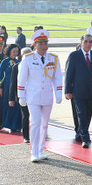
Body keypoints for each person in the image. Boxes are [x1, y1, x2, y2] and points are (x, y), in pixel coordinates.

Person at [18, 29, 63, 162]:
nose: (44, 46)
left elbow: (57, 77)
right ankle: (34, 151)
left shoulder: (53, 58)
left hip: (47, 96)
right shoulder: (28, 58)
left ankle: (41, 149)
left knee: (44, 124)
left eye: (45, 43)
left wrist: (58, 92)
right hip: (33, 96)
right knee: (35, 122)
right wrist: (21, 95)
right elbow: (22, 78)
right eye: (41, 43)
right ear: (35, 45)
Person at [65, 34, 92, 148]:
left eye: (90, 42)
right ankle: (85, 138)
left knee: (88, 114)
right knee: (81, 113)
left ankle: (80, 133)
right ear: (81, 42)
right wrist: (67, 90)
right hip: (77, 91)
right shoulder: (74, 55)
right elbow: (69, 74)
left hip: (91, 91)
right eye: (86, 41)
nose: (88, 44)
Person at [0, 44, 22, 132]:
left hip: (17, 86)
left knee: (17, 106)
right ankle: (7, 123)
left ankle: (17, 124)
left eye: (17, 51)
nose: (15, 53)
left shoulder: (19, 62)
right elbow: (0, 74)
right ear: (9, 52)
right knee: (8, 104)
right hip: (7, 86)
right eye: (13, 51)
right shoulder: (5, 61)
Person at [10, 47, 32, 143]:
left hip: (34, 95)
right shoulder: (16, 67)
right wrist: (11, 98)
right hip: (22, 95)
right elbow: (13, 83)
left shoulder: (36, 66)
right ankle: (26, 136)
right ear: (22, 56)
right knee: (25, 116)